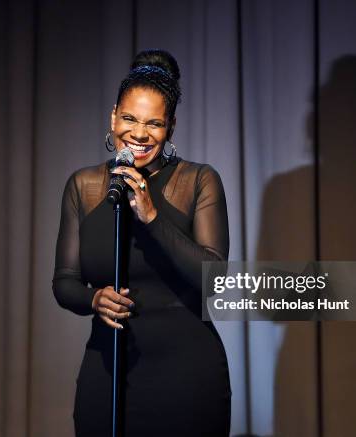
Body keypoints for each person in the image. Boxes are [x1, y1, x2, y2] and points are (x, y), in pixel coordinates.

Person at [53, 49, 231, 436]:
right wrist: (93, 299)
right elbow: (64, 282)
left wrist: (152, 218)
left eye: (154, 123)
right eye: (130, 118)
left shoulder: (198, 181)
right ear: (112, 116)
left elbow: (215, 279)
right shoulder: (83, 186)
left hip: (187, 375)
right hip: (108, 369)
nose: (138, 133)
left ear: (170, 127)